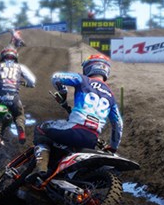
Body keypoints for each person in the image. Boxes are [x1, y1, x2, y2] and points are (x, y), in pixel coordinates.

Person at [27, 54, 123, 194]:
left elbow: (56, 77)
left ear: (89, 66)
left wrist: (62, 91)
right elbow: (118, 124)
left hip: (73, 129)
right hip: (91, 139)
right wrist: (113, 147)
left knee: (41, 129)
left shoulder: (83, 79)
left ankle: (41, 166)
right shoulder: (111, 96)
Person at [0, 46, 36, 143]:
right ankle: (21, 132)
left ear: (2, 56)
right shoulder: (20, 67)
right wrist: (29, 84)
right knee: (19, 114)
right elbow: (32, 81)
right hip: (14, 98)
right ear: (15, 57)